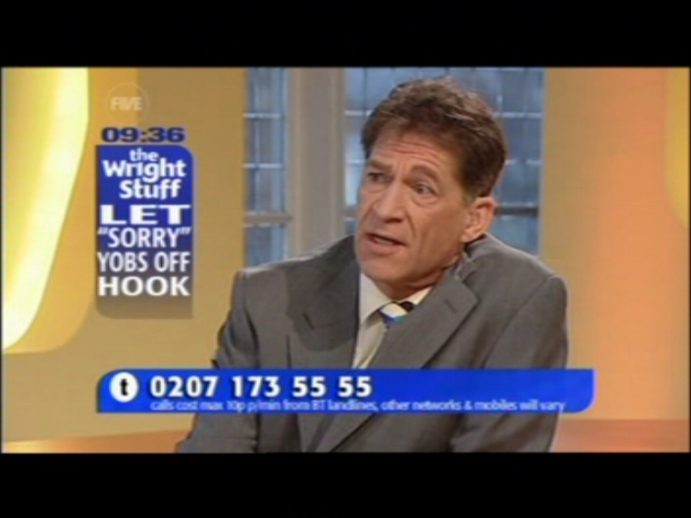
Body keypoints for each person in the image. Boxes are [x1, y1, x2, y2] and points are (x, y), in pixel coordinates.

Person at [177, 77, 569, 452]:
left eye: (422, 189)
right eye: (378, 177)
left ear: (474, 219)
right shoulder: (267, 300)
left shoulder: (517, 302)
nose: (384, 209)